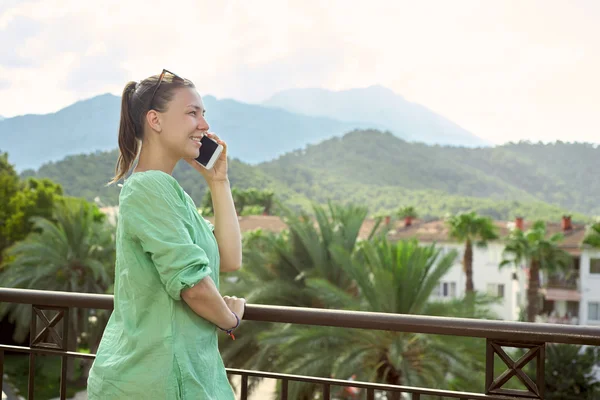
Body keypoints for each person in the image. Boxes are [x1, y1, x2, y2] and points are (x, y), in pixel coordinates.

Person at [87, 69, 245, 399]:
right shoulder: (148, 188)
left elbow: (229, 258)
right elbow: (194, 287)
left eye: (204, 114)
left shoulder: (173, 194)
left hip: (184, 375)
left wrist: (219, 181)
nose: (204, 125)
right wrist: (230, 320)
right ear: (155, 121)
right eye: (192, 113)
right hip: (154, 381)